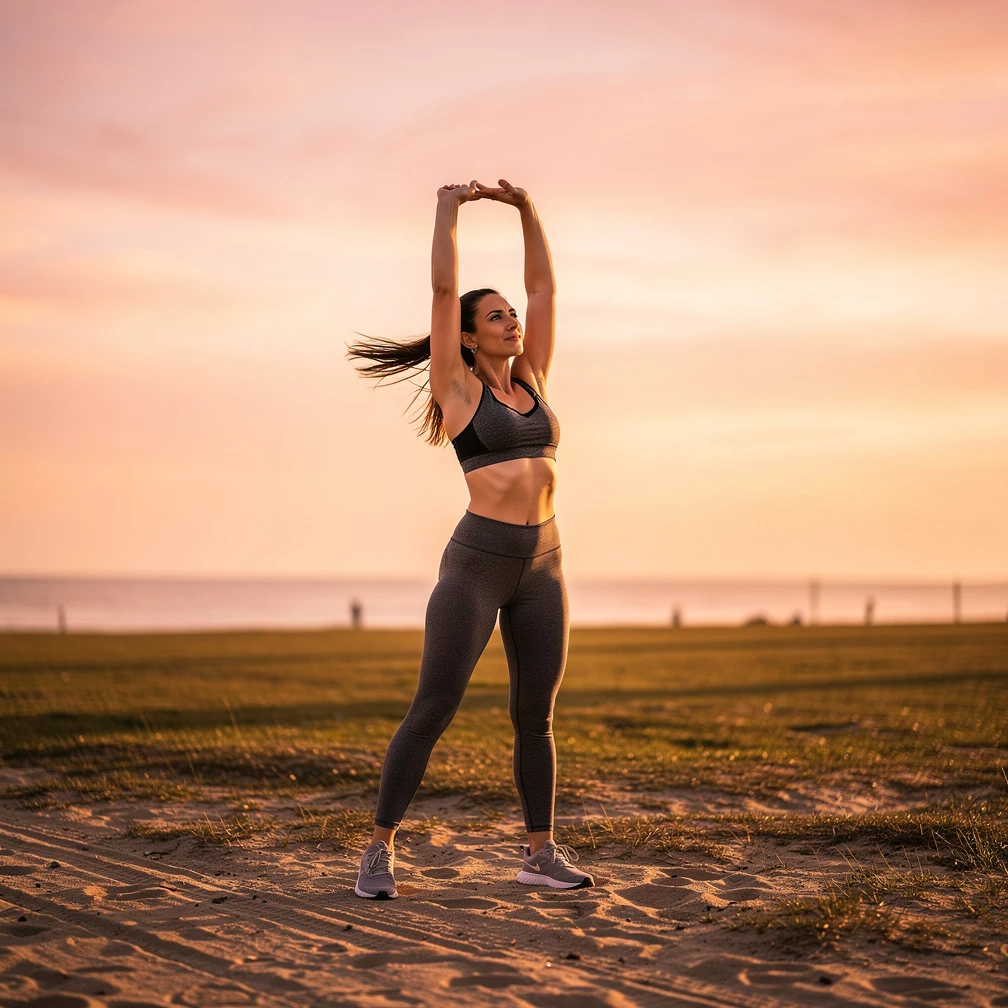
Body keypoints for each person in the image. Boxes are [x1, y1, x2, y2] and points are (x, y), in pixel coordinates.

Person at [345, 178, 593, 899]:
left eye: (512, 314)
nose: (513, 321)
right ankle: (379, 850)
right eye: (496, 316)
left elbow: (545, 289)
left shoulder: (534, 379)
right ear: (466, 334)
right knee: (434, 706)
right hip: (478, 565)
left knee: (535, 715)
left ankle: (539, 853)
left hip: (544, 563)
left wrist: (527, 209)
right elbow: (442, 283)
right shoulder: (458, 391)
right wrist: (449, 206)